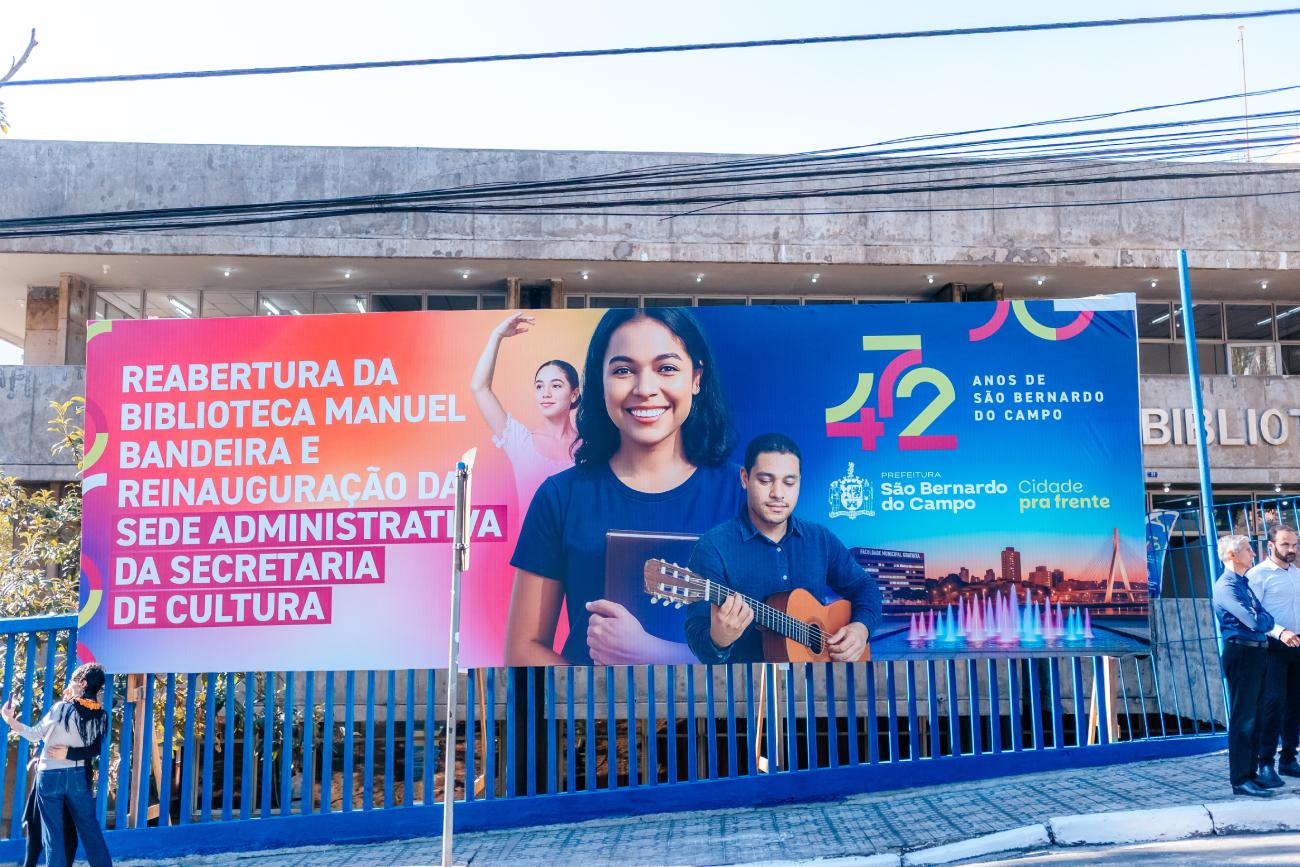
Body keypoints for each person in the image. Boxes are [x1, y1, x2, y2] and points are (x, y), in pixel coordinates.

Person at [506, 307, 744, 665]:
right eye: (622, 371)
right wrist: (597, 699)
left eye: (666, 368)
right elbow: (523, 649)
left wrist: (652, 654)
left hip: (716, 720)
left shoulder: (742, 494)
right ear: (599, 382)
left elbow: (768, 644)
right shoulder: (561, 497)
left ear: (696, 378)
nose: (645, 389)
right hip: (592, 719)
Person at [684, 433, 883, 664]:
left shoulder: (820, 539)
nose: (778, 493)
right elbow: (697, 635)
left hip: (817, 689)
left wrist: (861, 628)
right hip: (749, 692)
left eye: (789, 482)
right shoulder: (713, 546)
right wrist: (718, 639)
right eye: (766, 480)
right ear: (744, 478)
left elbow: (865, 587)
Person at [1212, 534, 1300, 798]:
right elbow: (1256, 621)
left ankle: (1251, 774)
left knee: (1254, 718)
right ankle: (1241, 778)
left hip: (1255, 653)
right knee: (1244, 719)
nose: (1253, 553)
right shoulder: (1227, 585)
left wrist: (1261, 617)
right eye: (1248, 550)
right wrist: (1263, 619)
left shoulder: (1242, 583)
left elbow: (1263, 614)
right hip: (1242, 653)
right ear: (1232, 555)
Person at [1, 663, 112, 866]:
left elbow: (35, 735)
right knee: (91, 831)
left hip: (49, 776)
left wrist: (9, 720)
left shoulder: (61, 708)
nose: (69, 684)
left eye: (72, 680)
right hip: (78, 775)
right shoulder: (99, 715)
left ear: (83, 683)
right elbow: (94, 750)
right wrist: (69, 753)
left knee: (53, 835)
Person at [471, 312, 581, 510]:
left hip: (580, 542)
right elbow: (479, 388)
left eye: (555, 386)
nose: (545, 393)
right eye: (539, 386)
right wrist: (496, 336)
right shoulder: (520, 441)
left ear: (574, 394)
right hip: (531, 542)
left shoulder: (589, 448)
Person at [1248, 523, 1300, 786]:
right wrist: (1280, 632)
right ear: (1271, 545)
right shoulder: (1258, 575)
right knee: (1272, 705)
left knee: (1295, 706)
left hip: (1298, 646)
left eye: (1294, 544)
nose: (1291, 549)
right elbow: (1255, 615)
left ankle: (1289, 760)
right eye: (1285, 544)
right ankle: (1265, 763)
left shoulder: (1296, 574)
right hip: (1274, 648)